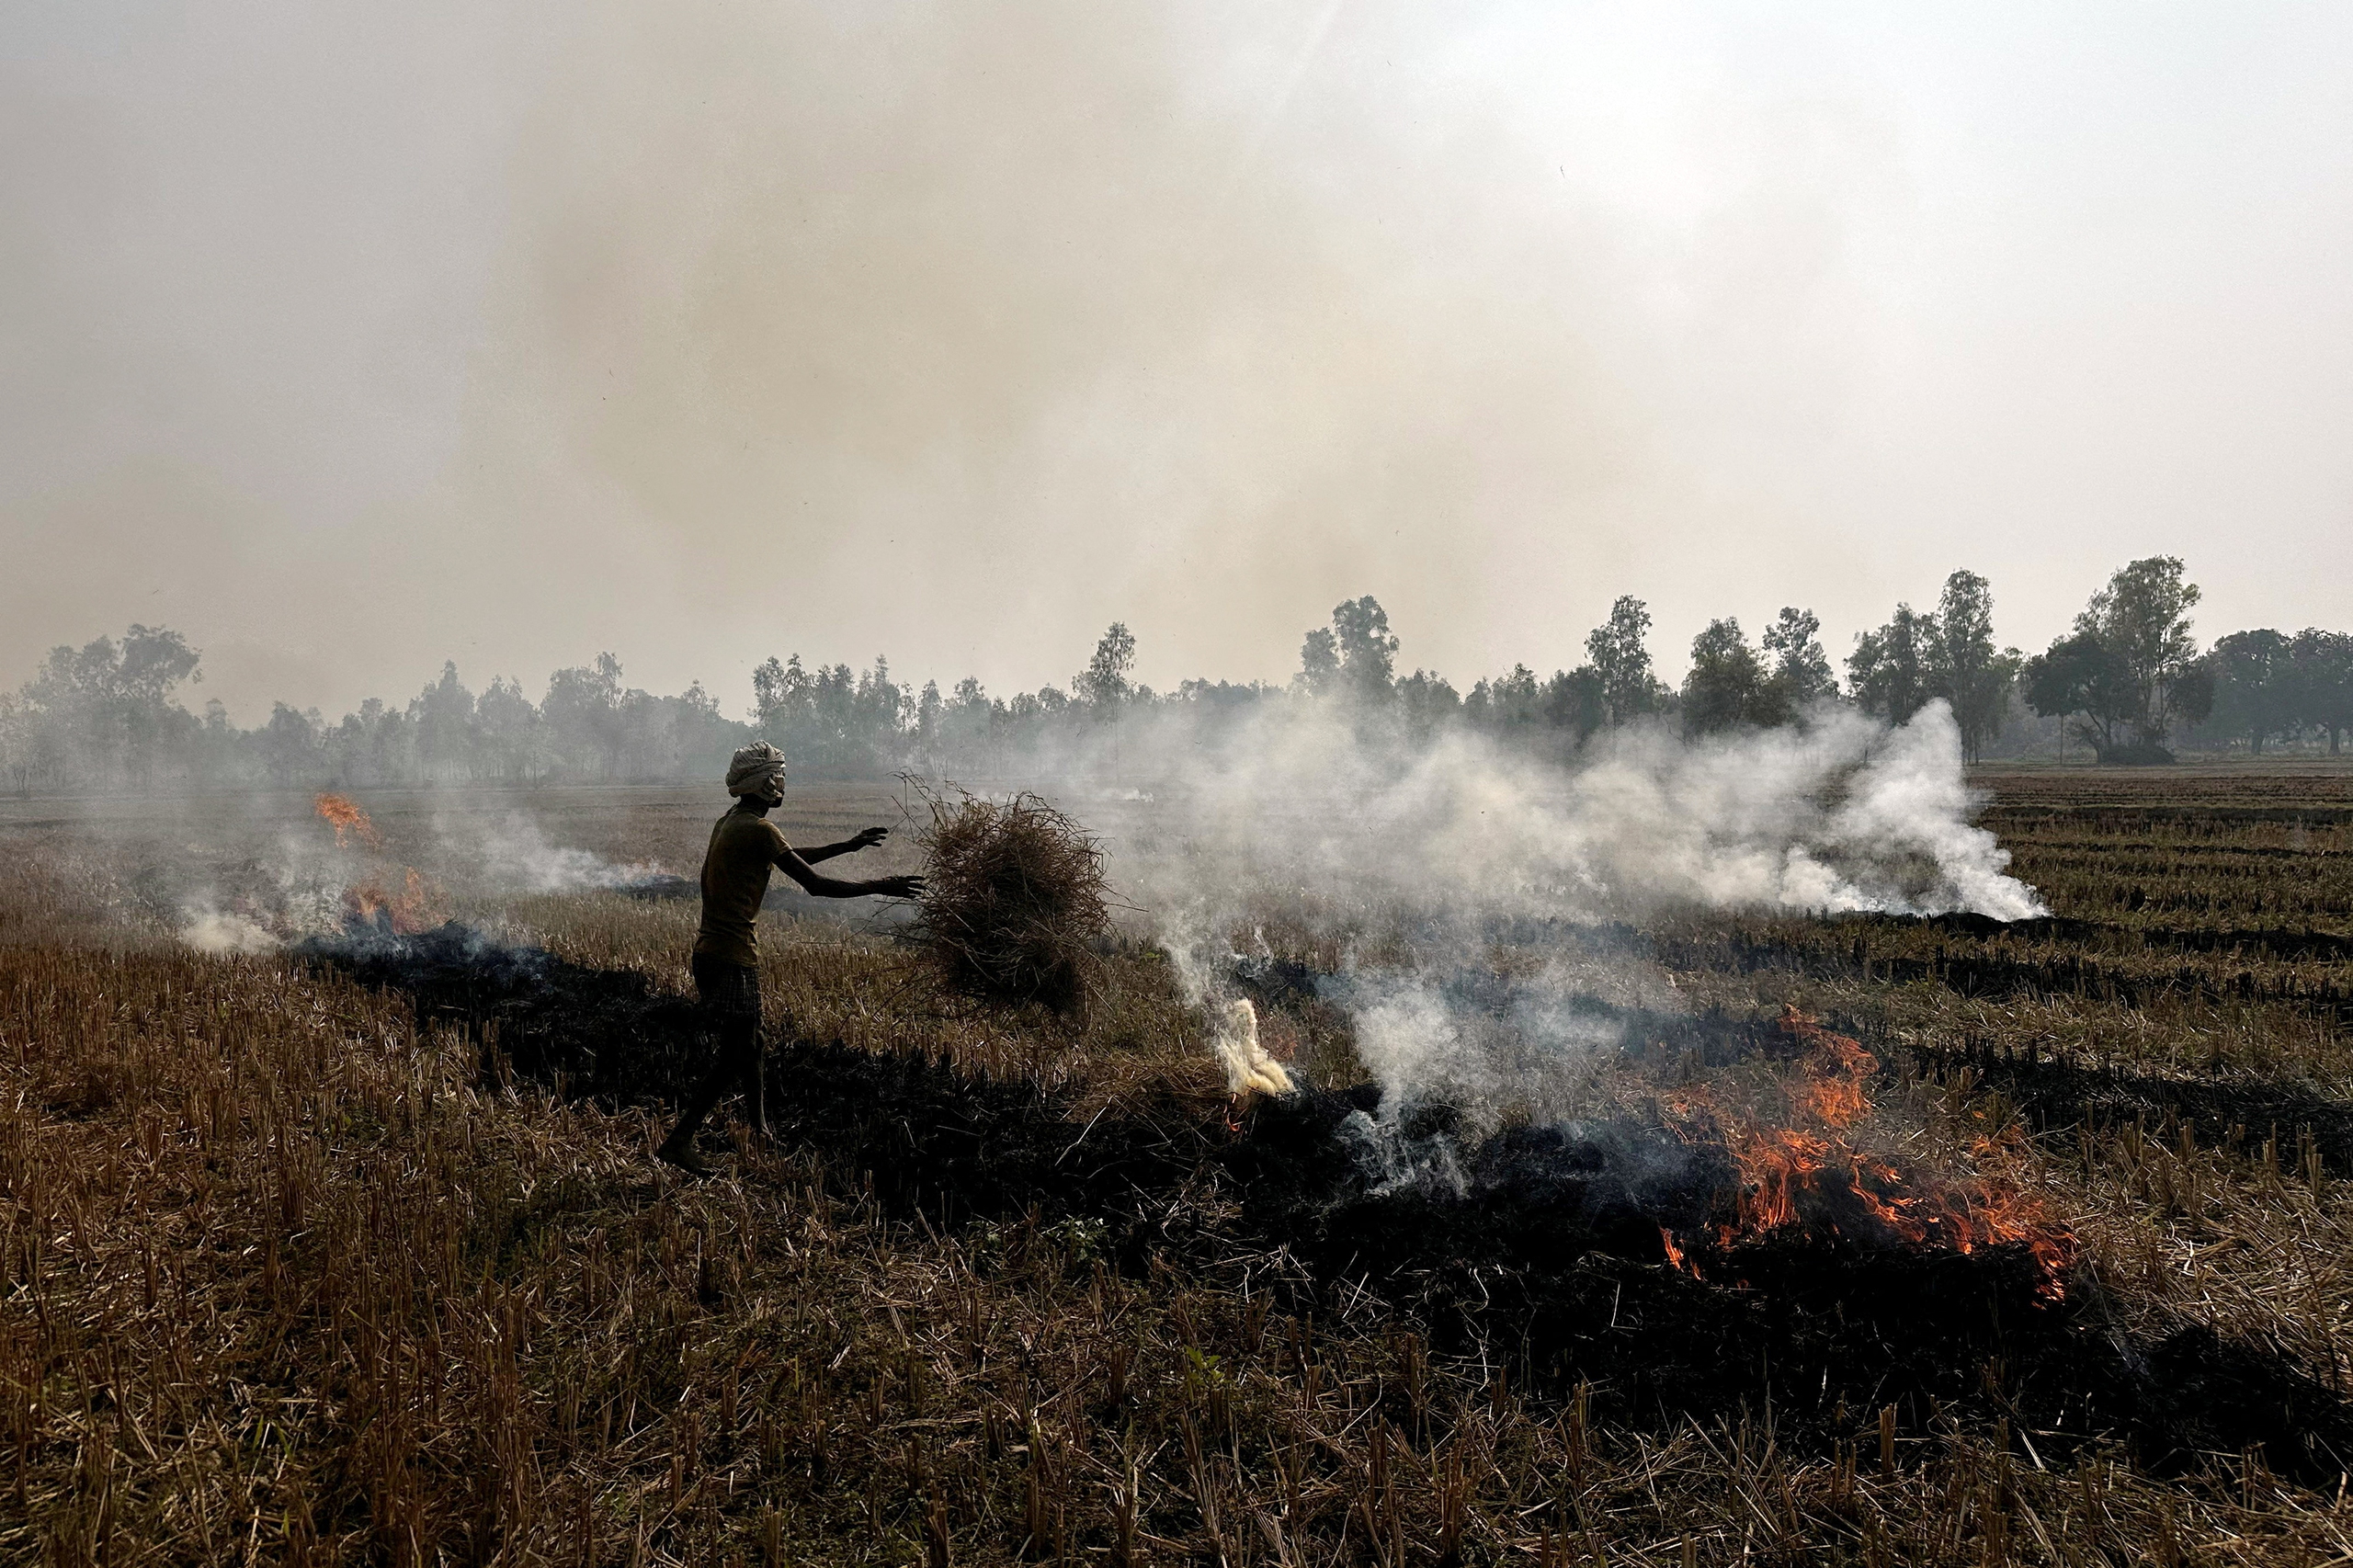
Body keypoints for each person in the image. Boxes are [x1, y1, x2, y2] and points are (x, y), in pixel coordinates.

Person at [657, 741, 923, 1175]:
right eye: (779, 775)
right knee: (734, 1054)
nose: (784, 782)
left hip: (717, 954)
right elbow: (814, 884)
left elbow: (789, 858)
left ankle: (760, 1129)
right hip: (730, 958)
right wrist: (881, 884)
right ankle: (679, 1141)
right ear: (766, 782)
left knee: (754, 1044)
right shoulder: (757, 829)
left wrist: (849, 846)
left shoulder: (734, 822)